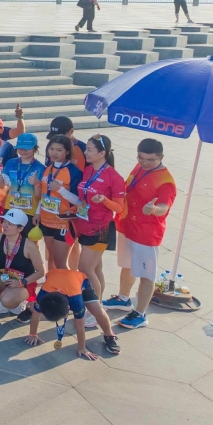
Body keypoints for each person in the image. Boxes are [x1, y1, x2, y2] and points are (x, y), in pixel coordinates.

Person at [103, 138, 176, 330]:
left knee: (146, 274)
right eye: (140, 158)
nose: (144, 162)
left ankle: (140, 314)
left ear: (161, 157)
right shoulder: (139, 167)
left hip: (146, 234)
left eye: (150, 160)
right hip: (127, 225)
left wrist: (154, 209)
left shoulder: (166, 181)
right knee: (127, 265)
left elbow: (164, 206)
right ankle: (123, 298)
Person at [66, 135, 124, 319]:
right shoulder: (88, 170)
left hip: (100, 228)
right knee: (95, 269)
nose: (85, 152)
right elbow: (83, 198)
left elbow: (119, 208)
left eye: (90, 150)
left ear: (102, 153)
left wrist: (104, 200)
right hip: (84, 225)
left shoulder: (114, 177)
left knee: (85, 268)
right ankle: (96, 305)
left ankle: (95, 313)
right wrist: (73, 209)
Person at [25, 267, 120, 358]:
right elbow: (36, 315)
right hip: (55, 277)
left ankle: (109, 335)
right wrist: (33, 334)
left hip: (80, 281)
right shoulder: (42, 296)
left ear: (69, 307)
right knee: (34, 309)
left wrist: (82, 348)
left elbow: (80, 326)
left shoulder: (76, 301)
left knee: (98, 312)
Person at [0, 208, 44, 318]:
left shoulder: (29, 246)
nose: (5, 226)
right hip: (5, 278)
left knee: (7, 300)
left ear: (20, 228)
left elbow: (41, 272)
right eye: (4, 222)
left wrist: (21, 282)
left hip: (23, 283)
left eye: (10, 224)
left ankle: (19, 301)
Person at [36, 134, 83, 270]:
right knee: (51, 258)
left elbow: (79, 201)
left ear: (67, 151)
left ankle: (66, 284)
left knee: (60, 263)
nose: (54, 153)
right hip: (46, 220)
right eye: (51, 149)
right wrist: (38, 212)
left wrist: (60, 189)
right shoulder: (47, 168)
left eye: (59, 150)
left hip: (64, 223)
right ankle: (51, 283)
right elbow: (44, 194)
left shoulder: (74, 172)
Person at [0, 133, 43, 234]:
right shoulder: (10, 163)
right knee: (9, 237)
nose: (23, 151)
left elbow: (41, 196)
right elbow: (3, 187)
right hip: (11, 207)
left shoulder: (40, 168)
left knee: (28, 240)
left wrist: (36, 184)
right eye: (20, 148)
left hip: (30, 211)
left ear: (35, 148)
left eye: (27, 148)